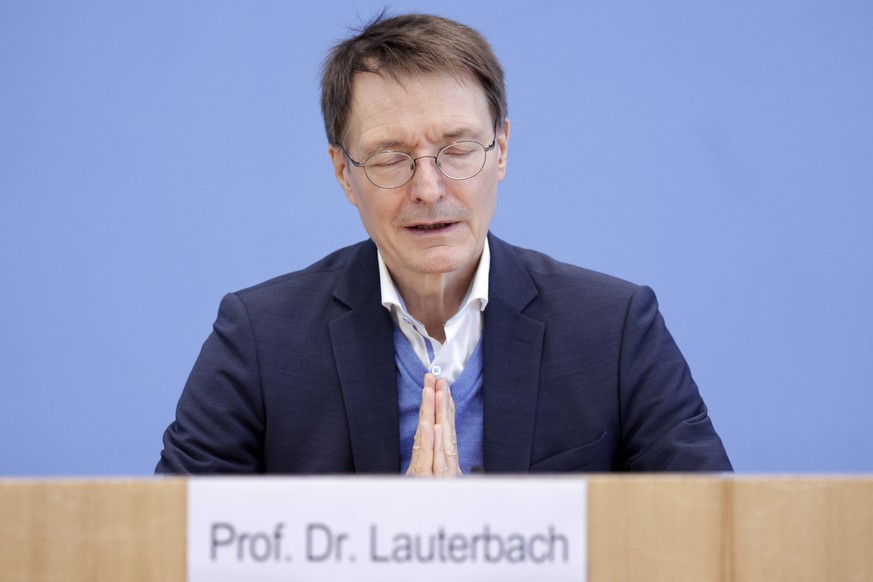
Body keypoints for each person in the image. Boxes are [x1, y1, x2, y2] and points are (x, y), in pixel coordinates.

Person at [156, 13, 731, 476]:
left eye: (458, 149)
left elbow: (711, 534)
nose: (429, 189)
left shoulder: (614, 328)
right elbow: (169, 546)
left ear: (501, 149)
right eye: (389, 157)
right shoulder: (260, 339)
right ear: (342, 172)